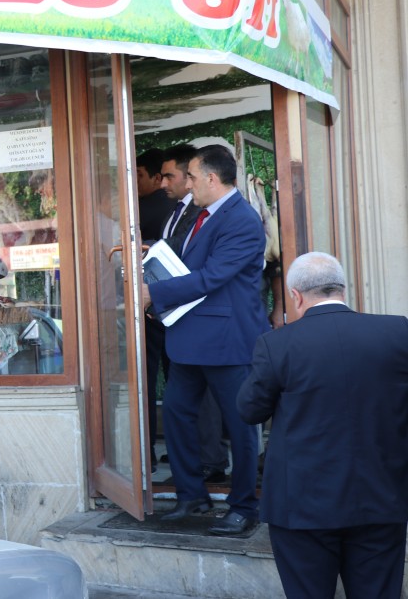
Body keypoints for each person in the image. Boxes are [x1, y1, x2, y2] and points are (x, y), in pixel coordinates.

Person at [237, 253, 408, 598]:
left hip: (301, 504)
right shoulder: (397, 331)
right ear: (343, 290)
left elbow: (249, 410)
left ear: (296, 296)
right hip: (382, 495)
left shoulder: (276, 344)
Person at [142, 143, 268, 535]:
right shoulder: (200, 213)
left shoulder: (243, 220)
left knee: (240, 426)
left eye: (192, 176)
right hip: (188, 337)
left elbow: (212, 276)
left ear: (213, 179)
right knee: (178, 416)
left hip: (228, 342)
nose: (186, 183)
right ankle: (190, 495)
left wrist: (155, 294)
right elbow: (186, 267)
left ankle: (244, 506)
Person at [158, 144, 229, 483]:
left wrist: (153, 292)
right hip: (179, 322)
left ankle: (214, 467)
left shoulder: (222, 215)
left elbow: (207, 275)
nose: (165, 183)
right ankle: (190, 486)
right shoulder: (181, 212)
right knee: (177, 408)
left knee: (214, 406)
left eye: (173, 175)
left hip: (211, 328)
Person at [138, 147, 179, 470]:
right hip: (168, 307)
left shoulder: (152, 207)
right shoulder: (177, 209)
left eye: (139, 176)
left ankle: (147, 450)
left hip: (157, 304)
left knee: (150, 375)